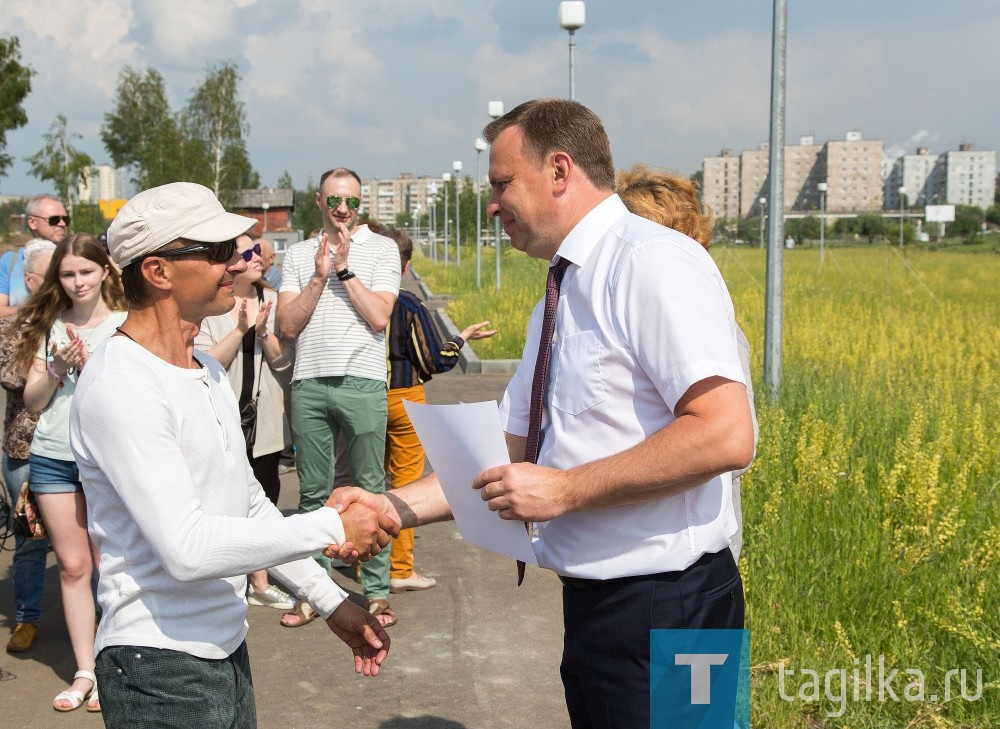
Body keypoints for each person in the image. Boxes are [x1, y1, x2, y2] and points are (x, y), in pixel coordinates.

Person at [332, 99, 754, 729]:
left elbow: (725, 433)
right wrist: (392, 508)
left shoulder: (651, 262)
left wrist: (567, 489)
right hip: (601, 613)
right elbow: (512, 449)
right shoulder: (564, 289)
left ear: (560, 171)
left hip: (677, 610)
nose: (493, 205)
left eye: (502, 184)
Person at [69, 181, 395, 728]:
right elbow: (188, 549)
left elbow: (248, 507)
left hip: (223, 648)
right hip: (157, 665)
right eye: (219, 252)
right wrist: (328, 524)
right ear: (158, 271)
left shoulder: (207, 371)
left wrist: (330, 600)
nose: (238, 263)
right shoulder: (121, 385)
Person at [335, 227, 496, 594]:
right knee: (405, 484)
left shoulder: (347, 300)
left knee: (363, 481)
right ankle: (400, 568)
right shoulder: (407, 304)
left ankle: (364, 565)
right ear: (404, 267)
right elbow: (435, 360)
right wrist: (461, 339)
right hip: (404, 399)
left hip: (360, 396)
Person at [614, 164, 758, 562]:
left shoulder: (696, 315)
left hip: (698, 564)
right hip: (640, 561)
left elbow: (736, 442)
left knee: (702, 626)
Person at [276, 168, 401, 628]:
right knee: (312, 494)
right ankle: (315, 593)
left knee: (370, 489)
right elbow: (286, 327)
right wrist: (318, 276)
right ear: (319, 201)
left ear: (361, 203)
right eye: (334, 201)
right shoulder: (298, 254)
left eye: (351, 201)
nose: (343, 210)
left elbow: (379, 316)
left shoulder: (382, 249)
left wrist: (345, 269)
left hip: (363, 381)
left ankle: (377, 591)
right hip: (309, 382)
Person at [15, 234, 127, 712]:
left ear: (105, 271)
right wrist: (58, 368)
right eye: (67, 273)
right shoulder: (49, 328)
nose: (77, 281)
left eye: (85, 271)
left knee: (112, 567)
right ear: (56, 279)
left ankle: (113, 666)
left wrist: (96, 367)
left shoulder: (126, 326)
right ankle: (84, 671)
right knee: (74, 566)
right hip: (53, 456)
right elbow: (33, 403)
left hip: (108, 460)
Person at [195, 234, 296, 610]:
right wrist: (239, 329)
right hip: (223, 417)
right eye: (247, 251)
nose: (256, 258)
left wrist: (263, 331)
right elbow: (207, 363)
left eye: (258, 251)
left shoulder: (272, 300)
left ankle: (261, 581)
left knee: (266, 494)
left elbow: (285, 365)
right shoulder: (210, 306)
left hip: (264, 417)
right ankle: (229, 578)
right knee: (223, 499)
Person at [0, 239, 56, 655]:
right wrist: (55, 363)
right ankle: (27, 617)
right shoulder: (12, 327)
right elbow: (13, 378)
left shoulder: (86, 320)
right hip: (27, 448)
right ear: (31, 280)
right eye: (53, 272)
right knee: (31, 537)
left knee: (94, 535)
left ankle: (98, 616)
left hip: (78, 447)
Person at [0, 194, 69, 317]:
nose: (62, 224)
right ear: (32, 222)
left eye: (65, 219)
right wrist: (33, 311)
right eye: (54, 219)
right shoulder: (10, 261)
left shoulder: (72, 258)